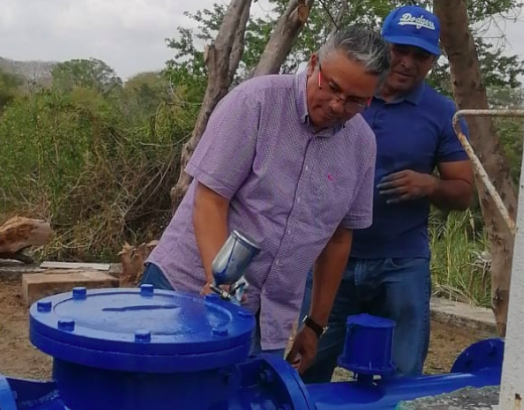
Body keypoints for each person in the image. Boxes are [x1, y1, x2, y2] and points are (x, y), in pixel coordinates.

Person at [141, 25, 391, 365]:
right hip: (184, 289)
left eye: (354, 101)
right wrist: (221, 284)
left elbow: (338, 239)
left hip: (267, 318)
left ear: (371, 98)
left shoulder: (362, 146)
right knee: (158, 401)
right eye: (331, 87)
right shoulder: (255, 102)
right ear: (315, 63)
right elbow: (211, 201)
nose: (337, 104)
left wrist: (315, 324)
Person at [298, 6, 474, 384]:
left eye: (421, 55)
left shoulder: (443, 114)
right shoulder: (344, 95)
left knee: (403, 376)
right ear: (382, 46)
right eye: (400, 50)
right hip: (330, 259)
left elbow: (464, 192)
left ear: (432, 61)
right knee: (307, 369)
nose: (408, 63)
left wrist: (431, 185)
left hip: (401, 264)